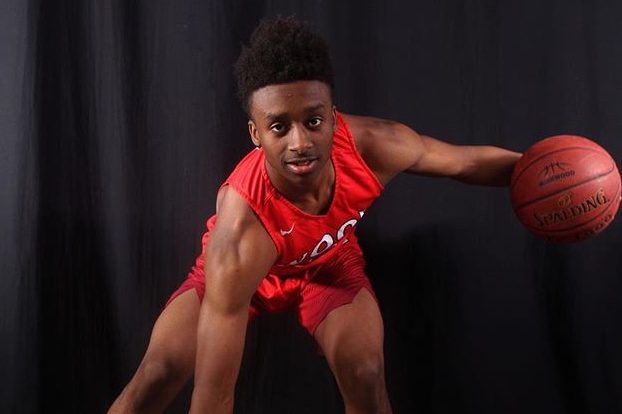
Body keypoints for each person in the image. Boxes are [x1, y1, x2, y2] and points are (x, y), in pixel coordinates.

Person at [108, 16, 521, 414]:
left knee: (366, 372)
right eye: (279, 127)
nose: (300, 142)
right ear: (256, 134)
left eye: (313, 120)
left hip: (327, 264)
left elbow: (466, 164)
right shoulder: (241, 225)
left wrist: (549, 170)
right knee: (160, 372)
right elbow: (215, 392)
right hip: (243, 276)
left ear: (333, 115)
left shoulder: (375, 146)